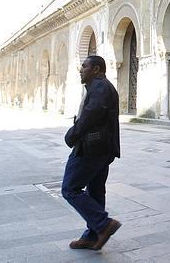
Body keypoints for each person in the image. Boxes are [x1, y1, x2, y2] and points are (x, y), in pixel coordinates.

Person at [62, 55, 121, 250]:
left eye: (84, 66)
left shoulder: (99, 86)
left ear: (96, 69)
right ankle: (92, 235)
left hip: (91, 148)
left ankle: (103, 224)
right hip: (102, 148)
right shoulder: (100, 87)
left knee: (70, 188)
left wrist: (72, 134)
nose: (81, 70)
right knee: (95, 191)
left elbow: (91, 114)